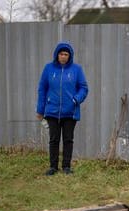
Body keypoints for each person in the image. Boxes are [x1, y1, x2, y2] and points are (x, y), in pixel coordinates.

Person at [36, 42, 88, 175]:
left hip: (70, 112)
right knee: (54, 139)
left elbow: (83, 88)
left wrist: (76, 99)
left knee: (68, 139)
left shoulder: (77, 69)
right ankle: (53, 167)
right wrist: (40, 110)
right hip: (52, 111)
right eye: (61, 54)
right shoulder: (48, 69)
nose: (63, 56)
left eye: (66, 54)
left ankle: (66, 166)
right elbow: (42, 89)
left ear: (70, 56)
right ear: (56, 55)